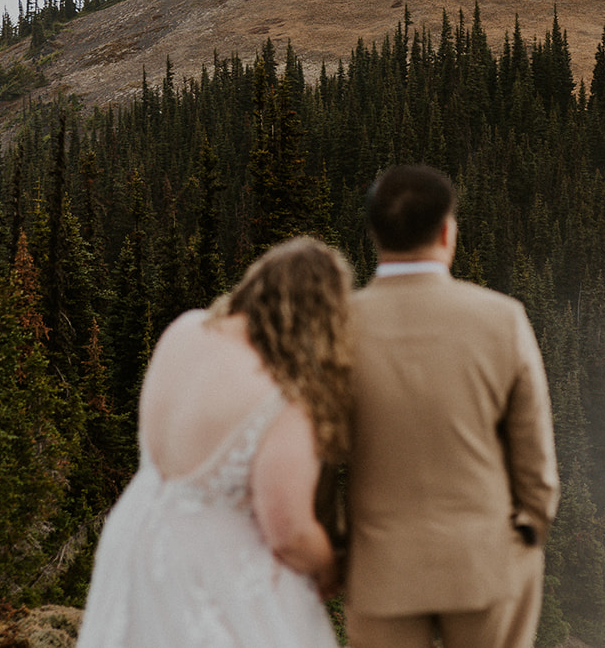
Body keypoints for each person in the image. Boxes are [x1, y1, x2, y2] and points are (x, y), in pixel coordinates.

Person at [76, 236, 353, 648]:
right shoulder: (284, 395)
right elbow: (288, 531)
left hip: (133, 536)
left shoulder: (185, 330)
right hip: (210, 570)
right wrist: (333, 568)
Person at [344, 163, 559, 648]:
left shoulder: (337, 325)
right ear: (447, 232)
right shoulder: (503, 319)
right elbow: (536, 463)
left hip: (381, 571)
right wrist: (529, 529)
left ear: (375, 234)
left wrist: (338, 553)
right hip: (483, 563)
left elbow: (313, 454)